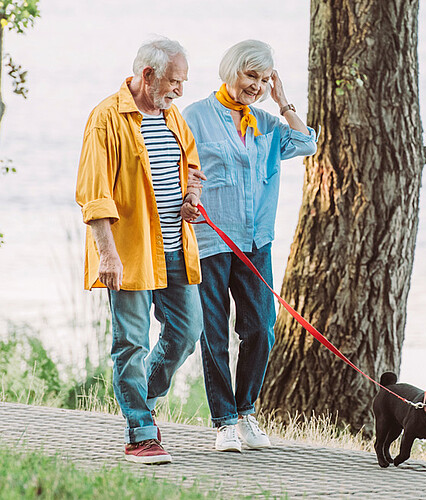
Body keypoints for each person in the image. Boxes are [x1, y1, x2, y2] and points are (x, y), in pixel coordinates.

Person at [75, 37, 206, 465]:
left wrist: (191, 195)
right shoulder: (106, 119)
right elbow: (94, 194)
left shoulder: (172, 115)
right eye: (174, 81)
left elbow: (192, 165)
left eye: (183, 82)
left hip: (174, 249)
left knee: (187, 332)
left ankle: (140, 401)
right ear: (147, 76)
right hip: (129, 251)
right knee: (131, 342)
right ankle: (140, 433)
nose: (179, 91)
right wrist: (107, 254)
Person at [182, 40, 316, 452]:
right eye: (249, 76)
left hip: (256, 240)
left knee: (260, 328)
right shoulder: (195, 117)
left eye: (263, 78)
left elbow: (307, 143)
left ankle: (246, 412)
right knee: (214, 332)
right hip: (210, 239)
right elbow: (177, 166)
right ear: (231, 72)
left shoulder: (267, 122)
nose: (255, 85)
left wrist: (283, 101)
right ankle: (223, 422)